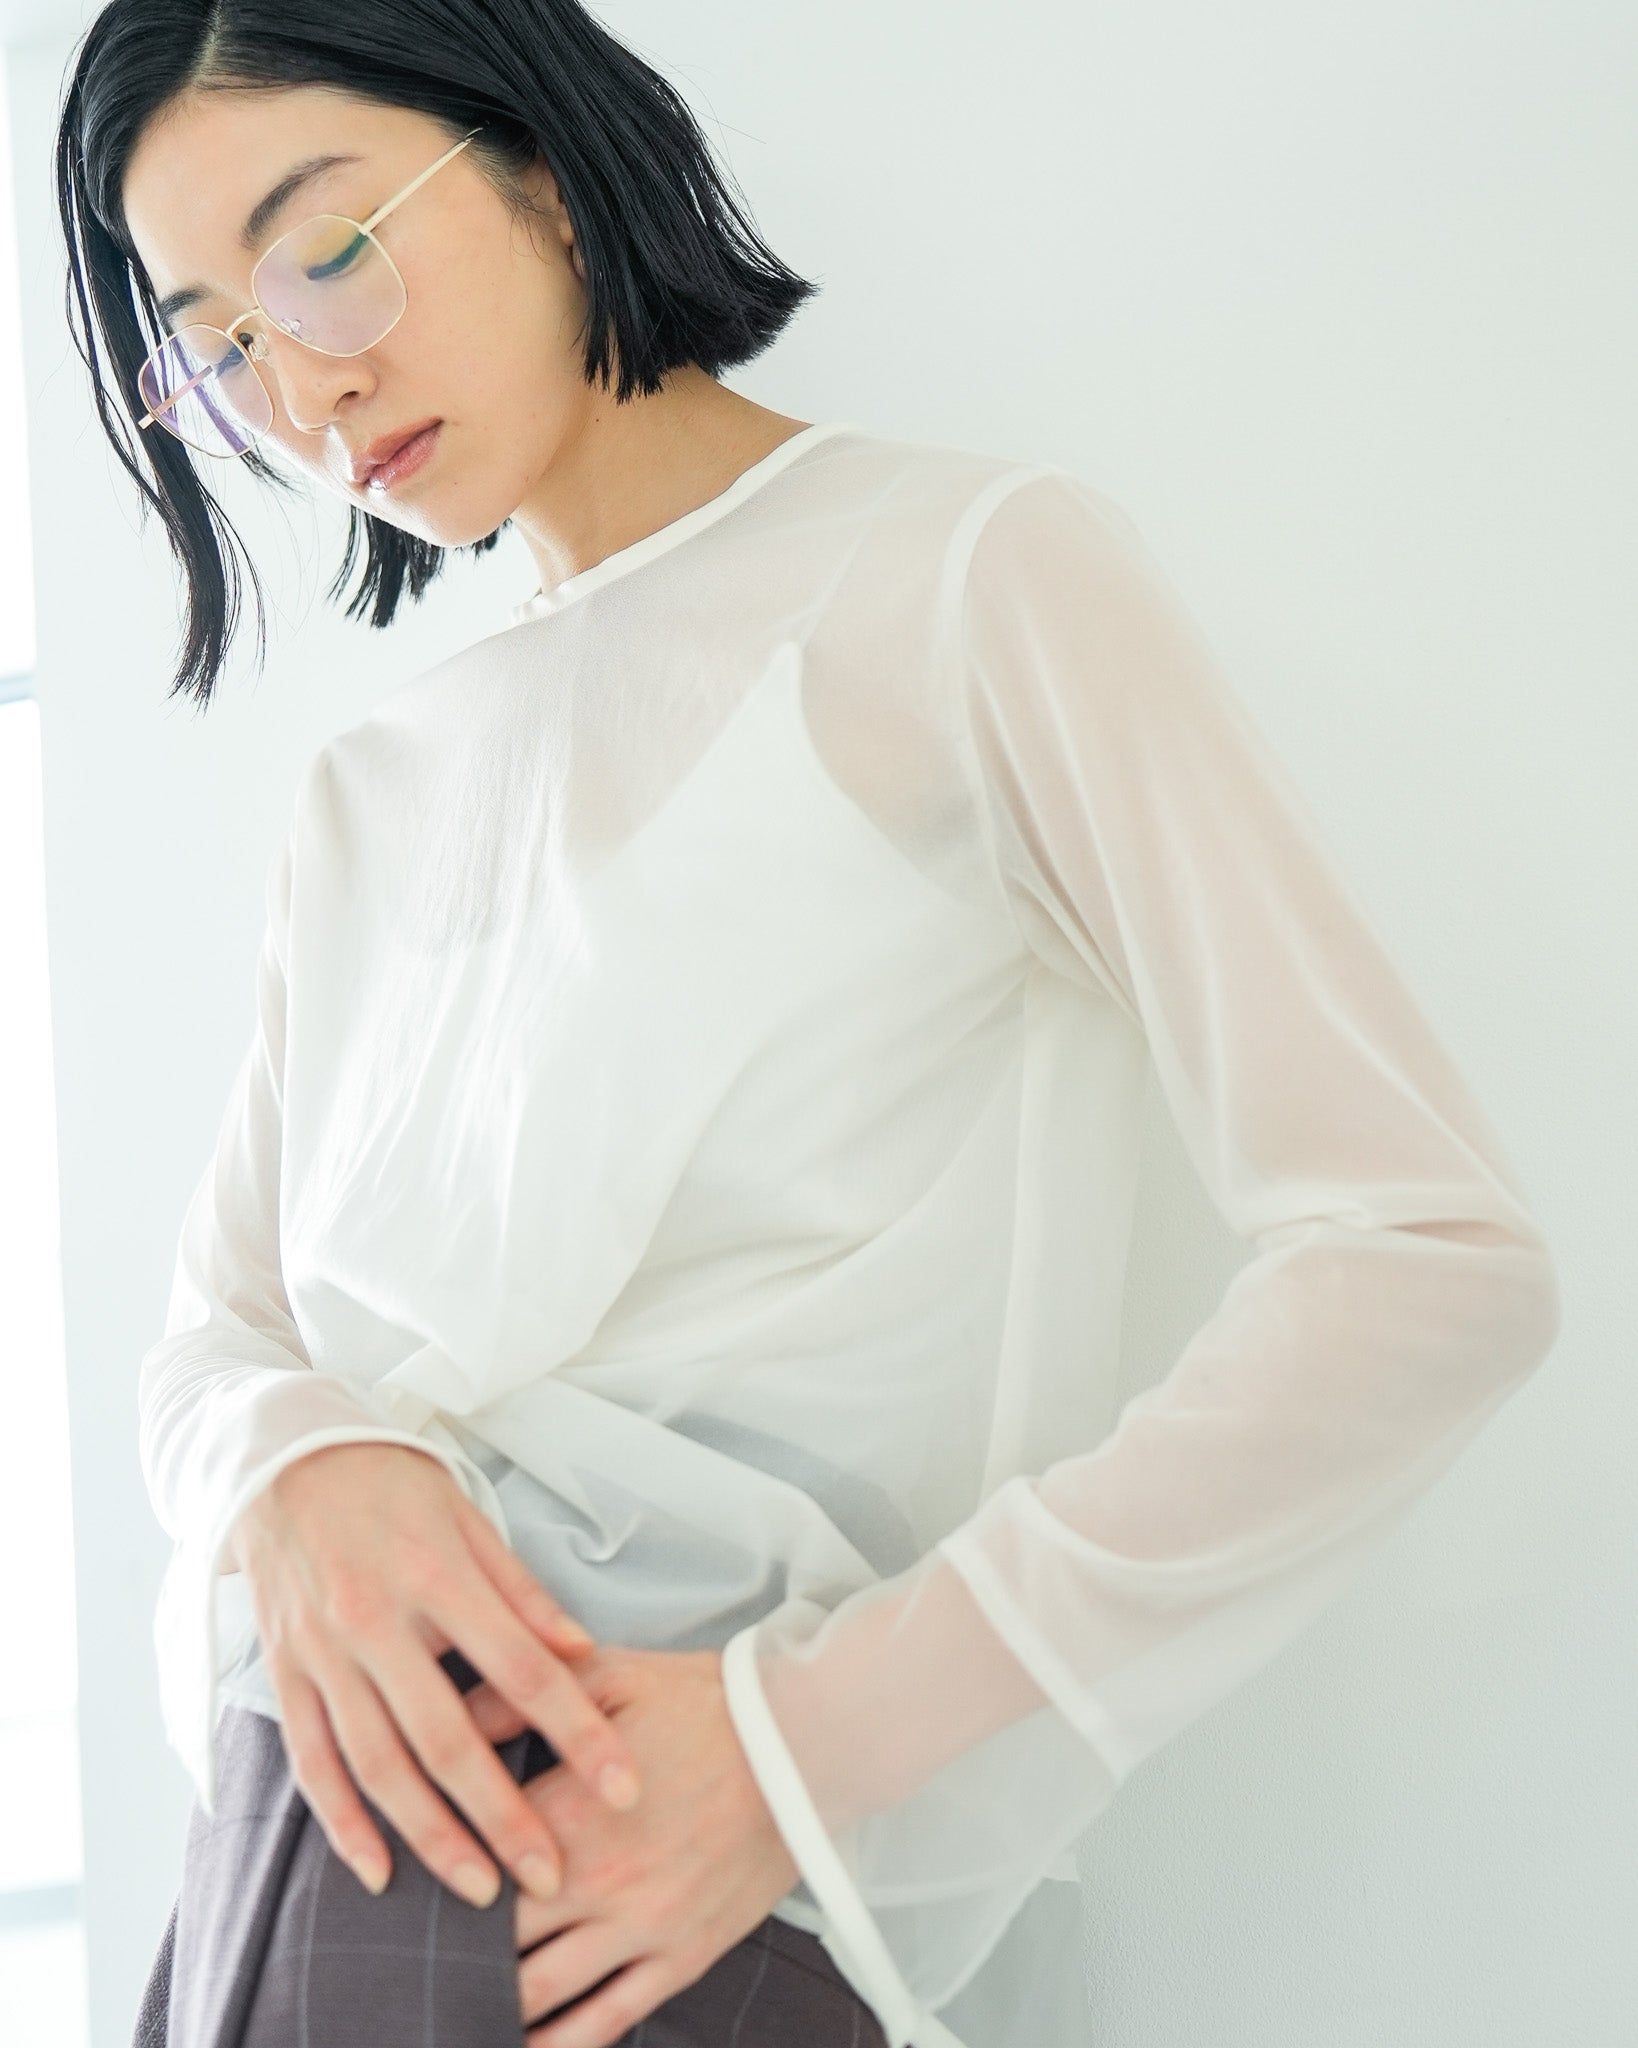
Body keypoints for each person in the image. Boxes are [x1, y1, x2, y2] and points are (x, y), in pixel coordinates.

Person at [56, 4, 1563, 2046]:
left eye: (326, 251)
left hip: (627, 1868)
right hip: (277, 1833)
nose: (304, 382)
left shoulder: (957, 580)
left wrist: (802, 1741)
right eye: (219, 347)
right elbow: (213, 1341)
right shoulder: (371, 789)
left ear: (543, 171)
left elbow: (1427, 1261)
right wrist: (299, 1461)